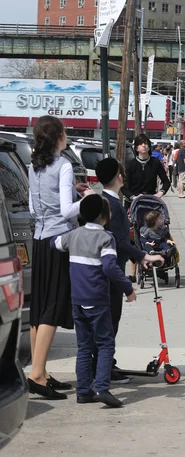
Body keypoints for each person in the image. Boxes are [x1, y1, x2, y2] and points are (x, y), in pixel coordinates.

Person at [27, 115, 95, 400]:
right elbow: (68, 210)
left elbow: (33, 207)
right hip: (58, 239)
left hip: (39, 239)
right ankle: (36, 375)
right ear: (59, 138)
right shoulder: (64, 165)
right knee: (53, 308)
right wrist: (87, 200)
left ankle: (39, 370)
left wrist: (67, 196)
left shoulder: (35, 165)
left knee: (39, 306)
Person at [51, 194, 136, 408]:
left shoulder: (73, 235)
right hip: (97, 300)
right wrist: (127, 288)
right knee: (106, 344)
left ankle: (83, 391)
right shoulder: (106, 238)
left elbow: (55, 243)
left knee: (83, 346)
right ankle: (102, 388)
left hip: (77, 301)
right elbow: (110, 267)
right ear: (105, 216)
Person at [96, 158, 163, 383]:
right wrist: (142, 255)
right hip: (112, 268)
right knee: (111, 320)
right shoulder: (111, 204)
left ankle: (105, 364)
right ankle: (105, 367)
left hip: (111, 266)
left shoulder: (106, 200)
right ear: (119, 177)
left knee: (108, 321)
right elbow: (117, 240)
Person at [122, 134, 170, 206]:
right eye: (141, 144)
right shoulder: (130, 164)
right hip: (133, 202)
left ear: (149, 147)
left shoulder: (155, 162)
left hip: (150, 201)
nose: (144, 145)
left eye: (146, 143)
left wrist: (160, 193)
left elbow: (166, 182)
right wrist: (133, 197)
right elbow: (123, 186)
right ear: (136, 148)